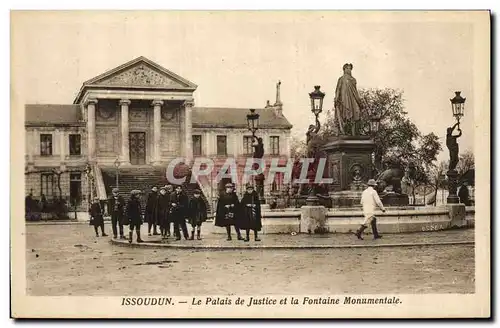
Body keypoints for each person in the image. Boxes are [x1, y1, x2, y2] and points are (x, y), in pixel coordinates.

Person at [334, 63, 364, 136]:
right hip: (345, 100)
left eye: (350, 68)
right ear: (344, 69)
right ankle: (347, 131)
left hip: (353, 99)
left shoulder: (353, 80)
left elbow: (355, 91)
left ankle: (355, 133)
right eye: (347, 68)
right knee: (347, 115)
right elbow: (338, 89)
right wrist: (336, 98)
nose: (349, 70)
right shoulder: (341, 79)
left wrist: (359, 102)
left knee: (356, 112)